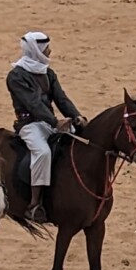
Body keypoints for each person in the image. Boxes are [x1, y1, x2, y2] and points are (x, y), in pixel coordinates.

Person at [6, 30, 83, 226]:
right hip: (30, 124)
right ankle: (34, 204)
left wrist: (76, 117)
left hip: (48, 122)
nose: (49, 51)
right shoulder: (16, 76)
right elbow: (33, 104)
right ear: (37, 50)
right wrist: (55, 122)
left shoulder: (48, 73)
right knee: (43, 153)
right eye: (46, 48)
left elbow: (61, 99)